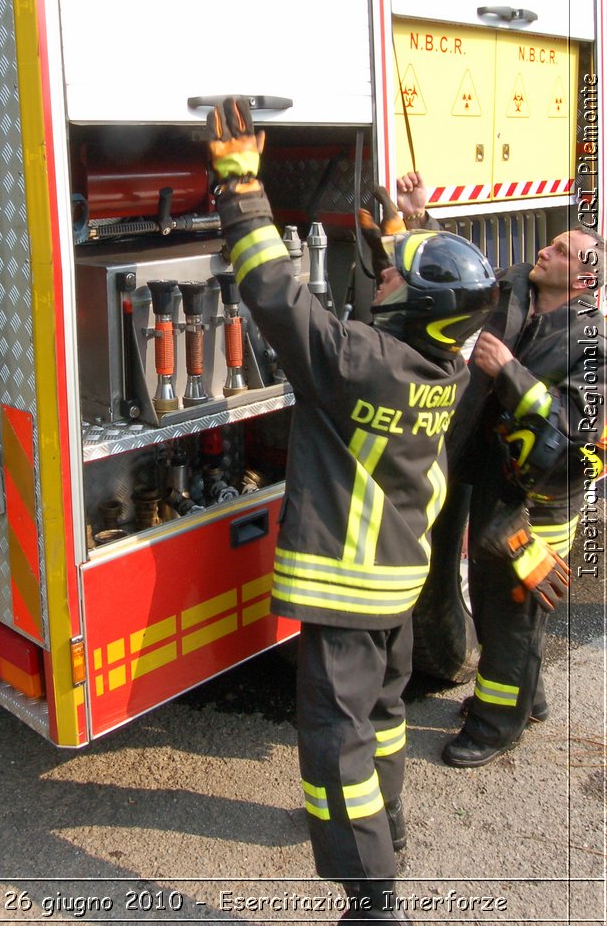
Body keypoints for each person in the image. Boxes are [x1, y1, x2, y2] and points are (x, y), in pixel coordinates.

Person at [207, 99, 497, 923]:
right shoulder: (442, 367)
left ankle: (372, 897)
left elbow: (272, 290)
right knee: (383, 716)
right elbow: (402, 322)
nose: (389, 271)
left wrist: (240, 186)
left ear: (412, 306)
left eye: (398, 273)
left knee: (335, 742)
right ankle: (391, 823)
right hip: (395, 584)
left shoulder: (361, 362)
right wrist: (396, 246)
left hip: (345, 590)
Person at [396, 170, 607, 768]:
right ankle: (526, 697)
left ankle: (495, 727)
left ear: (585, 278)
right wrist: (420, 219)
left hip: (539, 506)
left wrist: (512, 372)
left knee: (510, 611)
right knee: (498, 610)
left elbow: (578, 435)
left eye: (563, 251)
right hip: (490, 477)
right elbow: (461, 283)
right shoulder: (513, 290)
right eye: (552, 243)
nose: (546, 249)